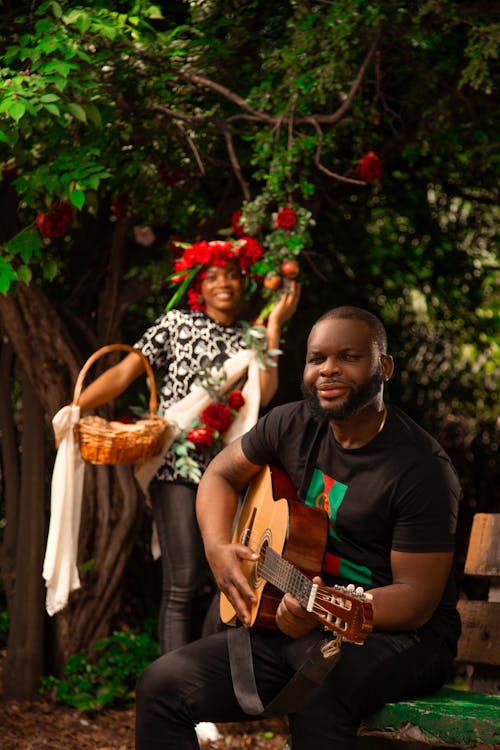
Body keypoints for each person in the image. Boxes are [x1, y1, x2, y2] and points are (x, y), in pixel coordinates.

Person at [134, 305, 462, 750]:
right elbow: (219, 475)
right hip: (298, 619)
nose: (328, 369)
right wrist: (216, 546)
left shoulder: (420, 468)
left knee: (318, 690)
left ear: (383, 367)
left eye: (348, 356)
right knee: (161, 686)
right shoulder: (292, 424)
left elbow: (416, 600)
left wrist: (320, 605)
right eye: (316, 358)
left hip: (399, 638)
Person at [75, 238, 301, 654]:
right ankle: (174, 697)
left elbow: (265, 392)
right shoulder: (175, 324)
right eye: (213, 276)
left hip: (231, 473)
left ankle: (198, 691)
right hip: (175, 467)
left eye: (232, 276)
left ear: (243, 283)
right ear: (199, 283)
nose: (224, 284)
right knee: (182, 580)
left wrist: (273, 329)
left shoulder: (251, 338)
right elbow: (127, 372)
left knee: (229, 574)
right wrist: (75, 406)